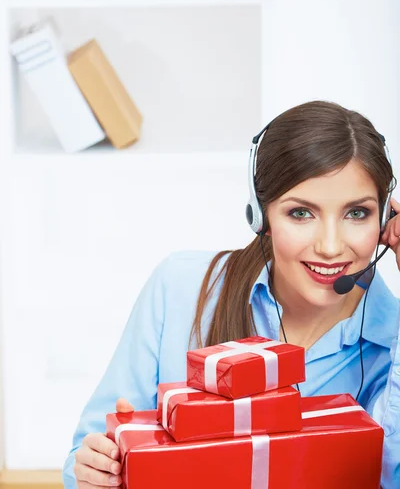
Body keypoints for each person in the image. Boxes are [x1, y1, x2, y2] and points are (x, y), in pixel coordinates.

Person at [62, 101, 400, 489]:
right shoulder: (181, 287)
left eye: (356, 213)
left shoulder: (391, 342)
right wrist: (100, 471)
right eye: (301, 213)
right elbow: (80, 463)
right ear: (261, 216)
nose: (329, 246)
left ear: (385, 221)